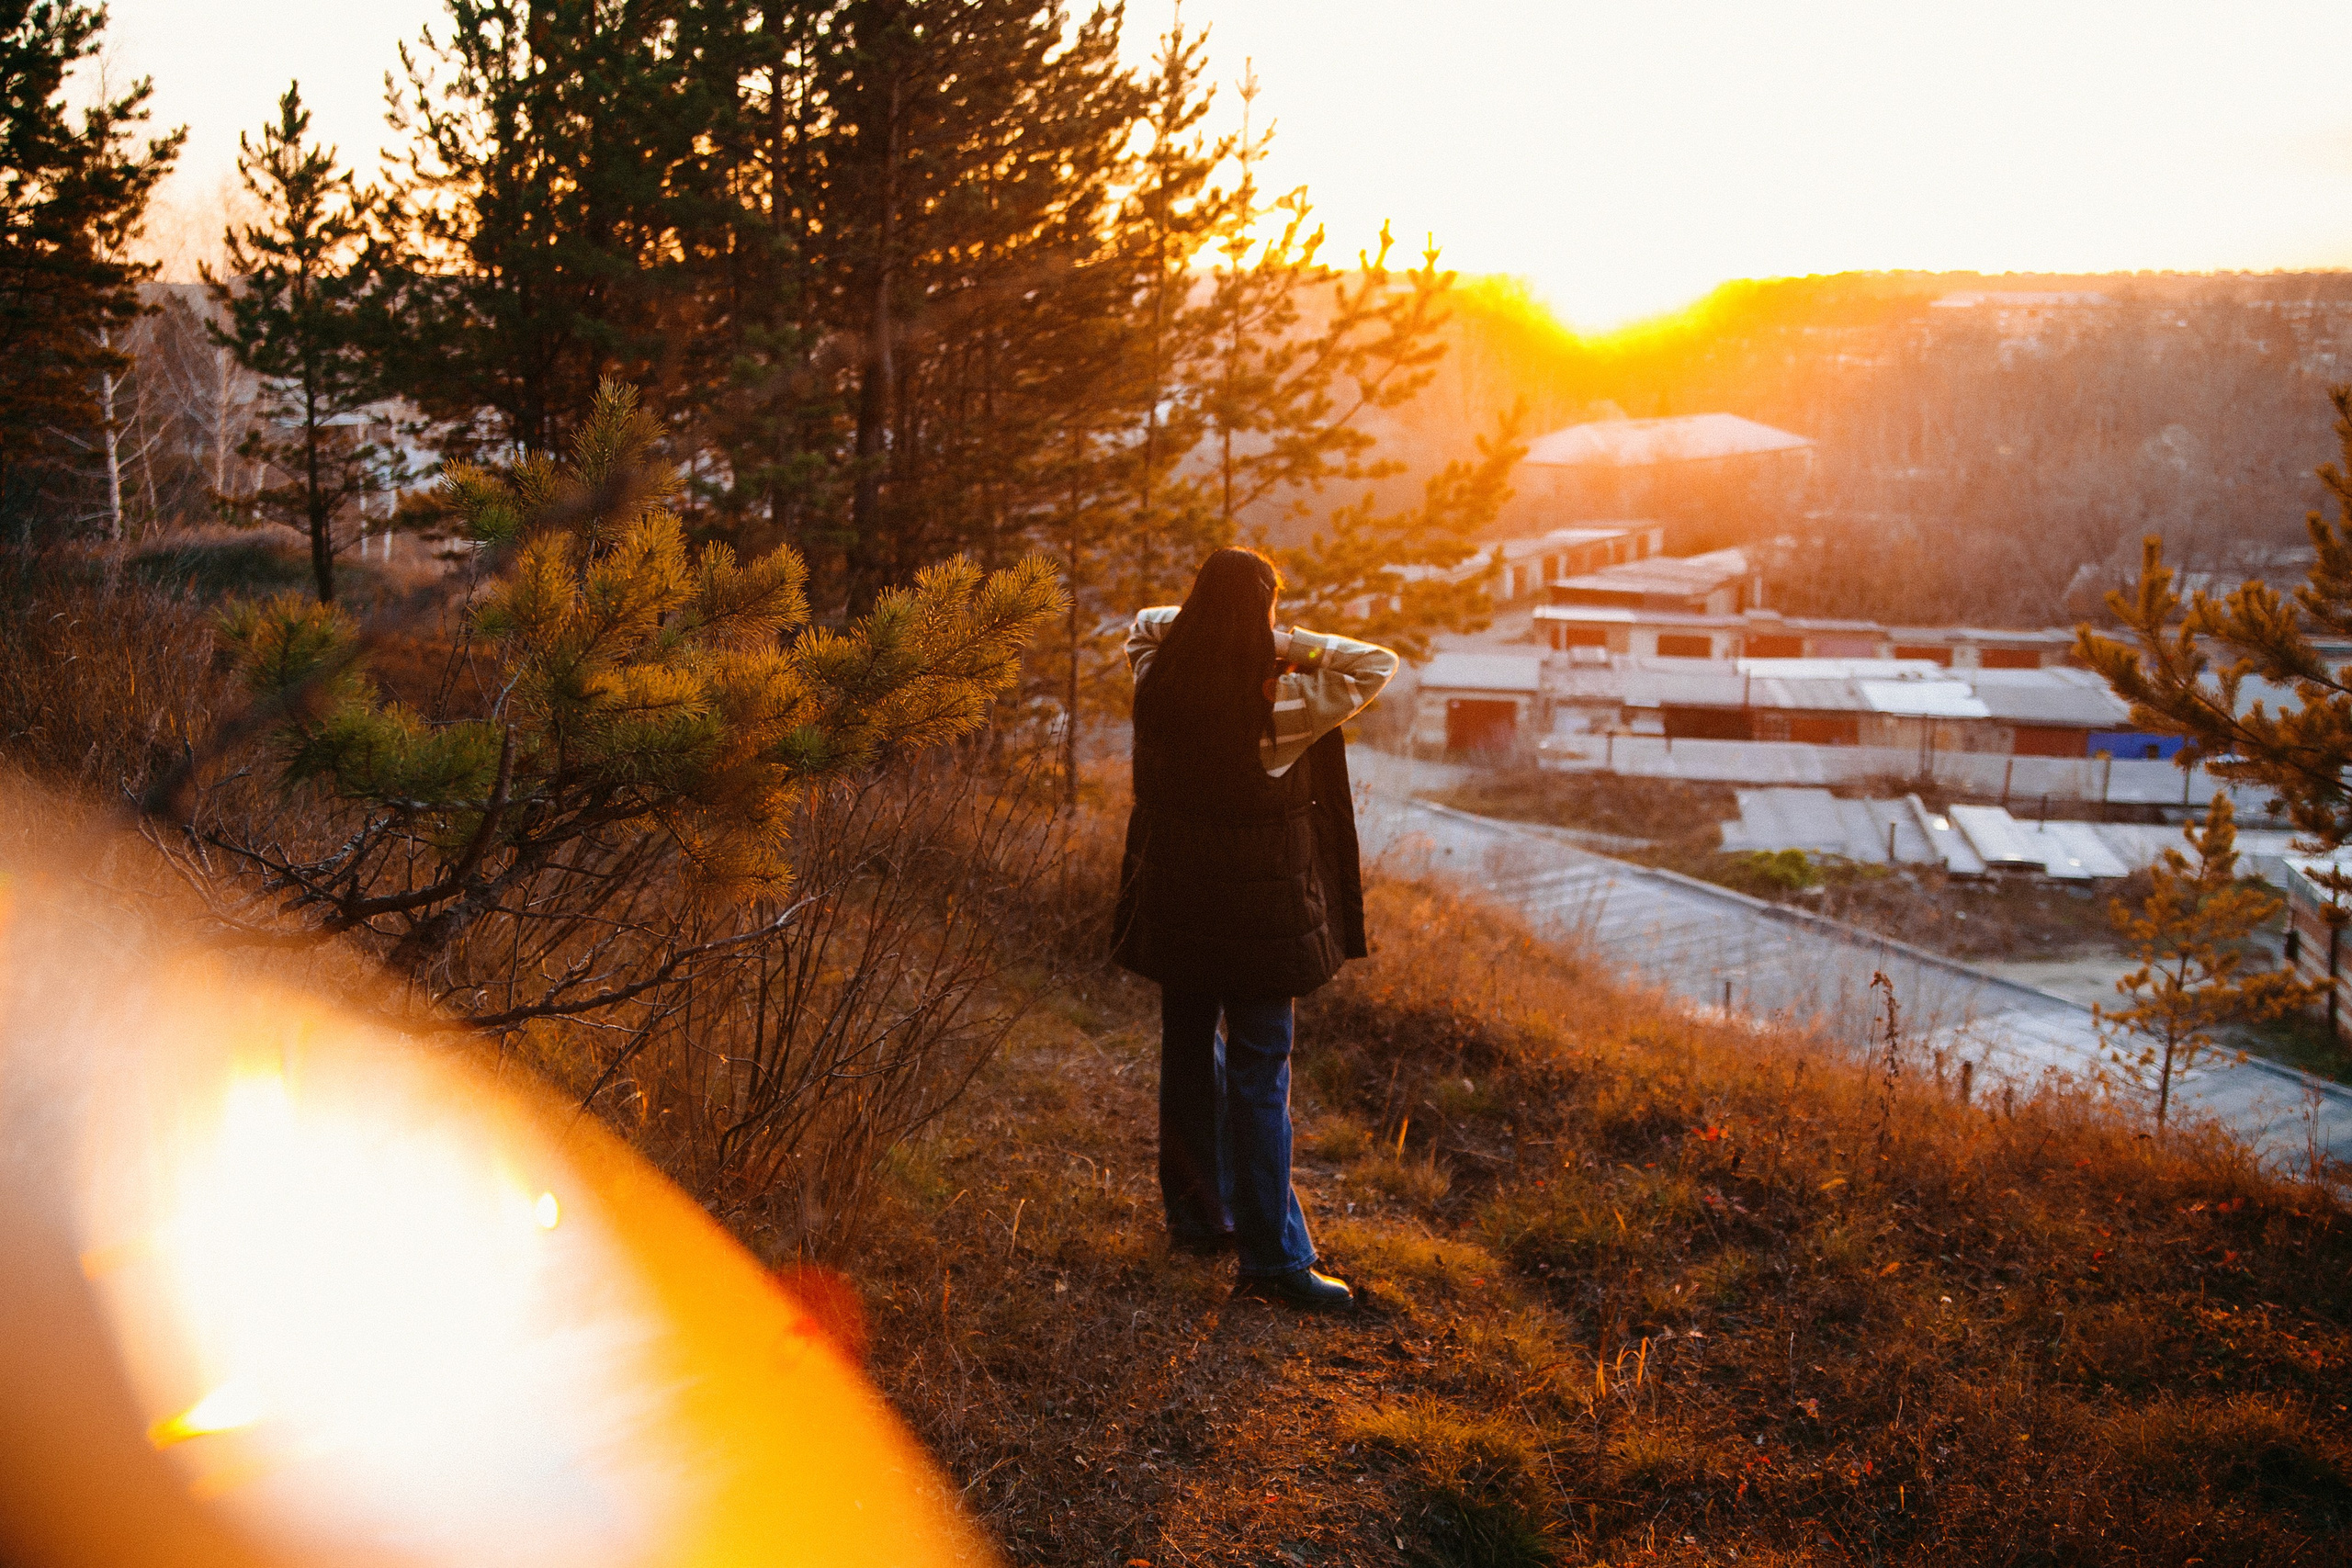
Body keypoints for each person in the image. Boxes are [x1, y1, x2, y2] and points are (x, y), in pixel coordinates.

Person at [1112, 547, 1399, 1309]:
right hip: (1259, 928)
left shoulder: (1159, 682)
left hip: (1182, 914)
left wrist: (1217, 623)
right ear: (1265, 616)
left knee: (1186, 1053)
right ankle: (1272, 1259)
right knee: (1260, 1073)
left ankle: (1199, 1219)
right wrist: (1280, 638)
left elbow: (1146, 624)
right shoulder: (1276, 711)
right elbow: (1375, 665)